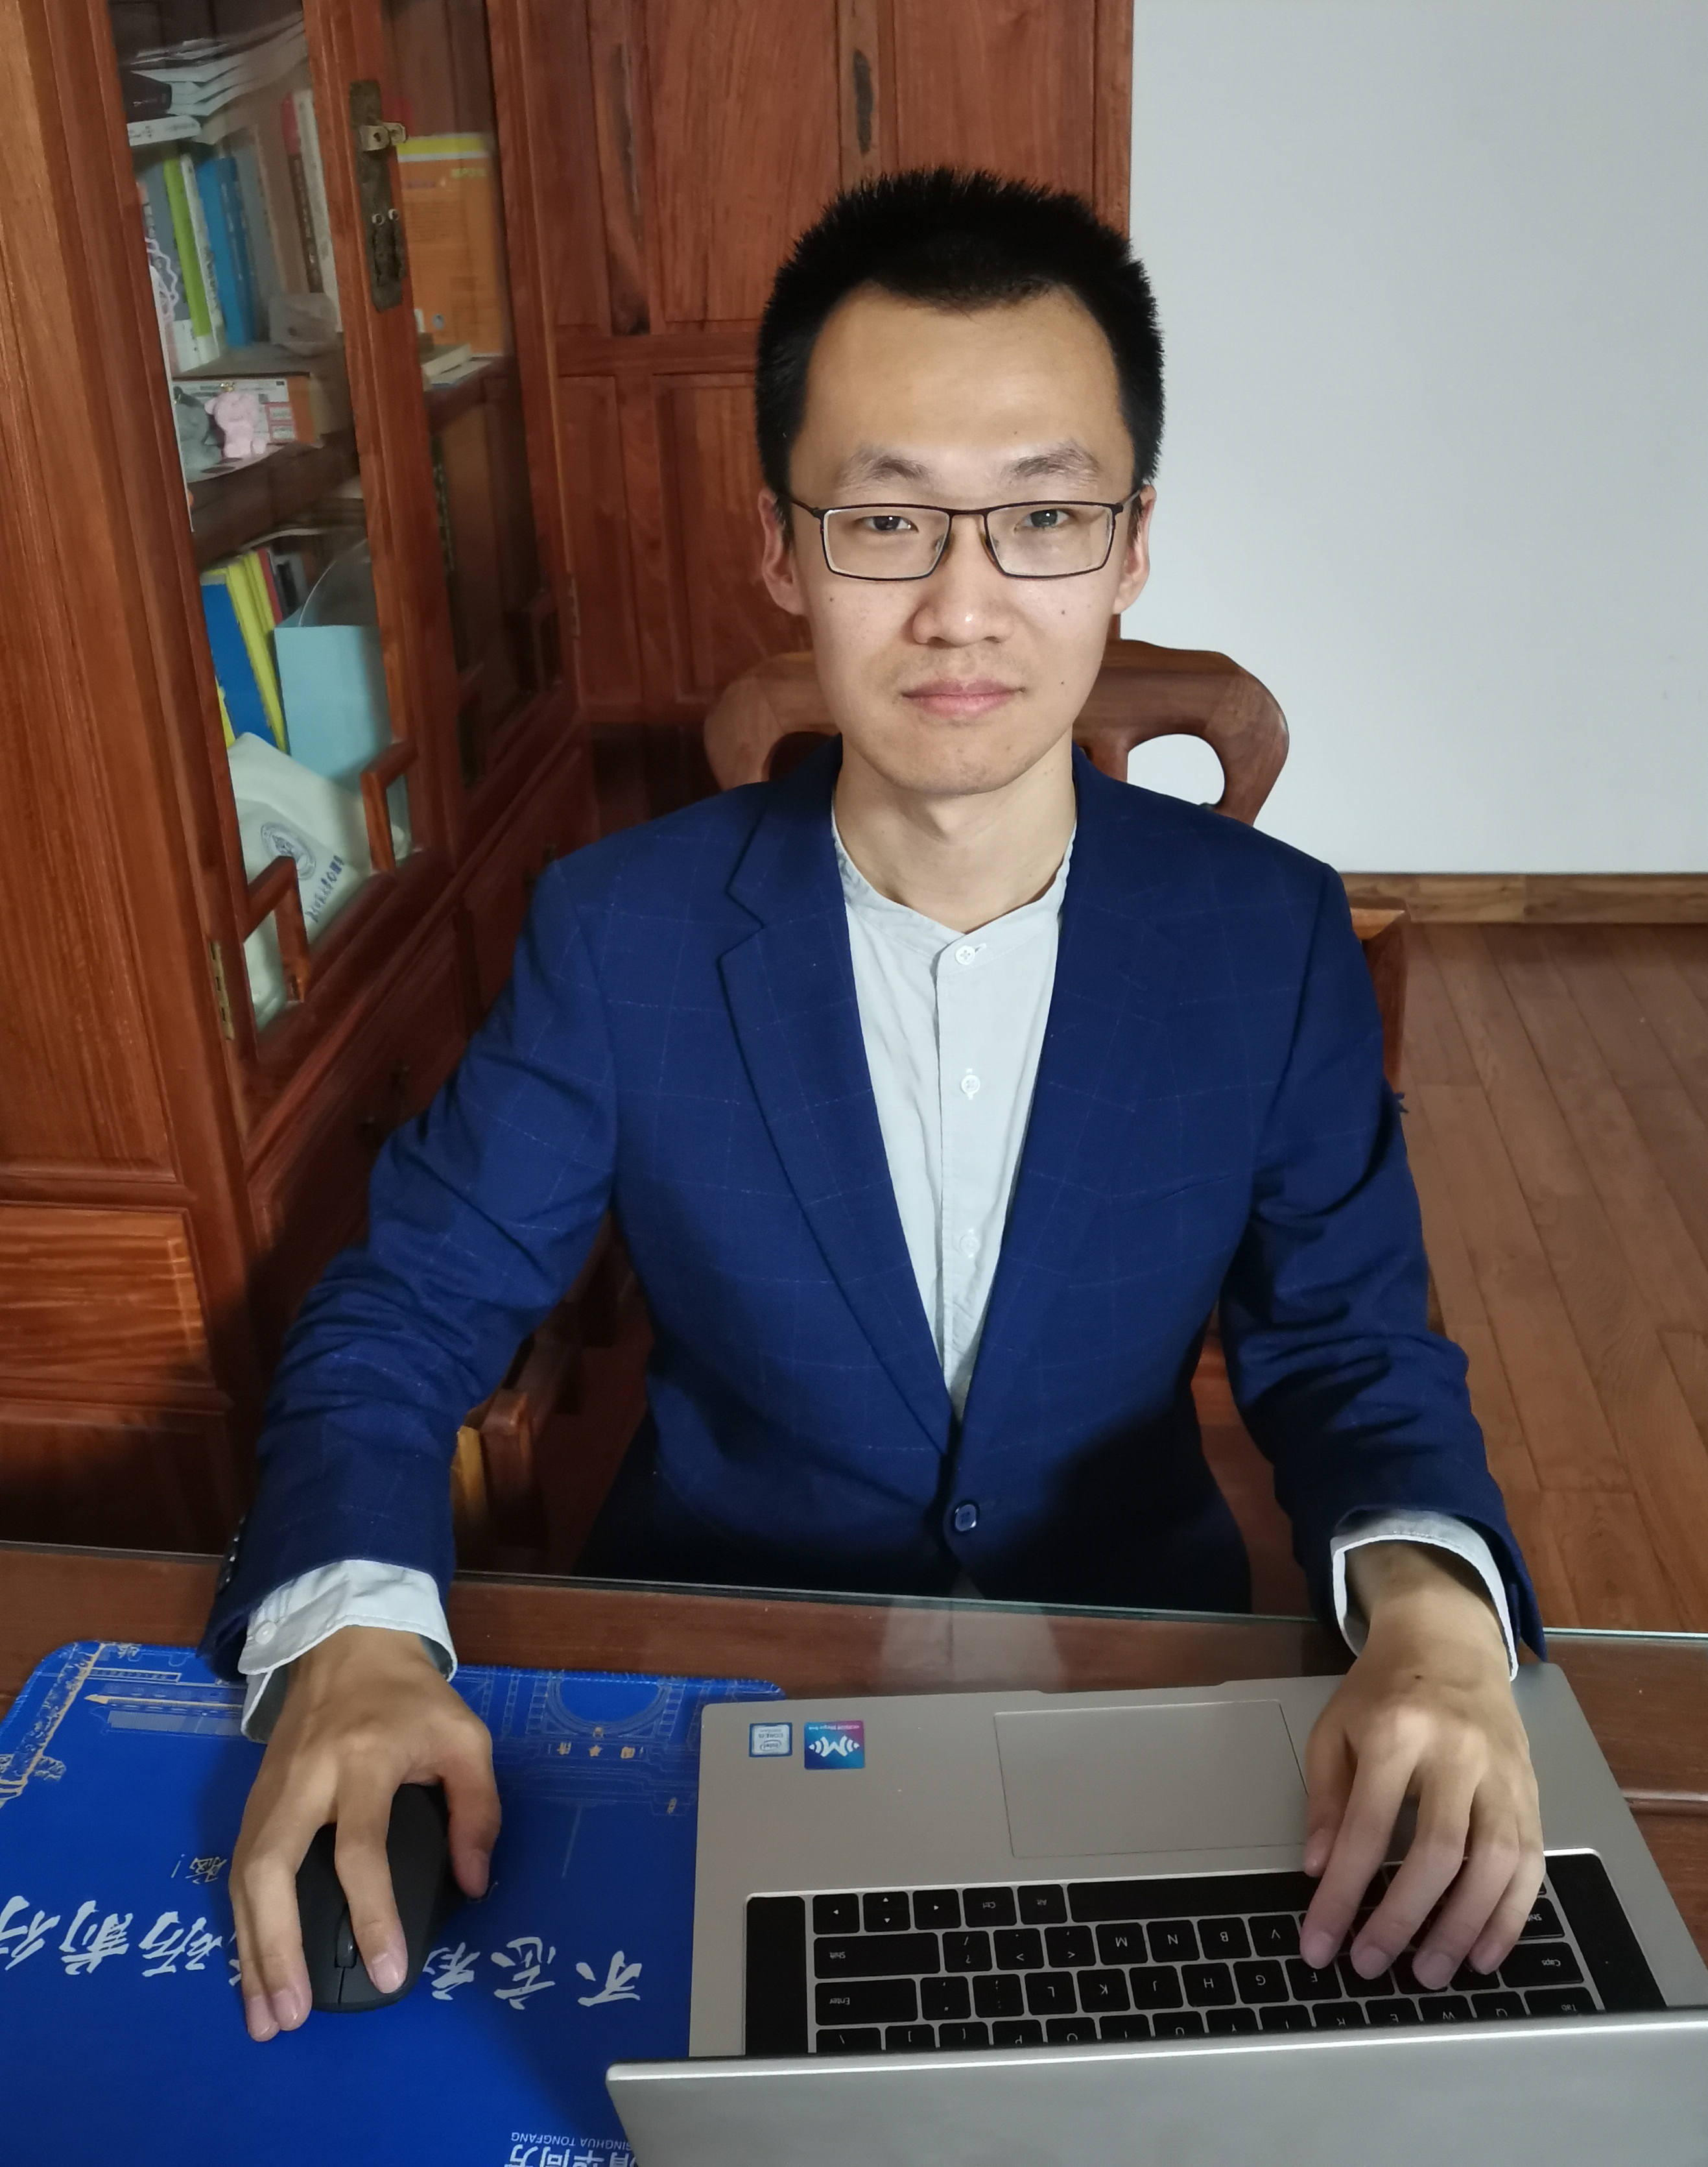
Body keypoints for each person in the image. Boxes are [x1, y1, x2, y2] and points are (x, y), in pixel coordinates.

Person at [206, 169, 1543, 2047]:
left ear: (1131, 547)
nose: (962, 605)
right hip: (719, 1675)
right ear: (781, 548)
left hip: (1126, 1672)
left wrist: (1433, 1618)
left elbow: (1348, 1345)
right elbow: (402, 1311)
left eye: (1044, 517)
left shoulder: (1269, 936)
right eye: (886, 519)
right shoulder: (623, 929)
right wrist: (352, 1636)